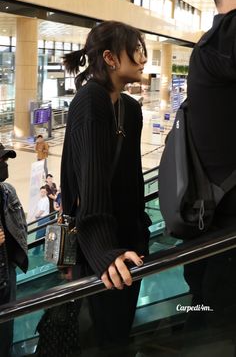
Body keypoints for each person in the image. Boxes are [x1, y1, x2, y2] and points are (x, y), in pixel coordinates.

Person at [61, 20, 151, 356]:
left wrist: (140, 235)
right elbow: (88, 181)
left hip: (131, 245)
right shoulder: (90, 101)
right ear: (111, 58)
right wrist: (102, 250)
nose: (143, 58)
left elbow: (132, 179)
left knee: (119, 332)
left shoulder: (131, 109)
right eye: (136, 49)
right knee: (104, 338)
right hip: (103, 255)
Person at [183, 0, 236, 352]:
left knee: (204, 320)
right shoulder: (225, 40)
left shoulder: (210, 47)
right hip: (225, 247)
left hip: (212, 242)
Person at [0, 143, 28, 357]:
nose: (5, 164)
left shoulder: (8, 191)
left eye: (5, 160)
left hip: (8, 274)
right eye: (1, 160)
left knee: (6, 334)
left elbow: (22, 225)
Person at [33, 186, 50, 255]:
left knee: (39, 236)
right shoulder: (41, 199)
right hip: (41, 218)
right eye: (41, 191)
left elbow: (42, 210)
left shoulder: (45, 199)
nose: (42, 193)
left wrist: (36, 216)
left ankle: (36, 251)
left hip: (44, 218)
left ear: (46, 192)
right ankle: (42, 250)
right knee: (42, 235)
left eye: (44, 192)